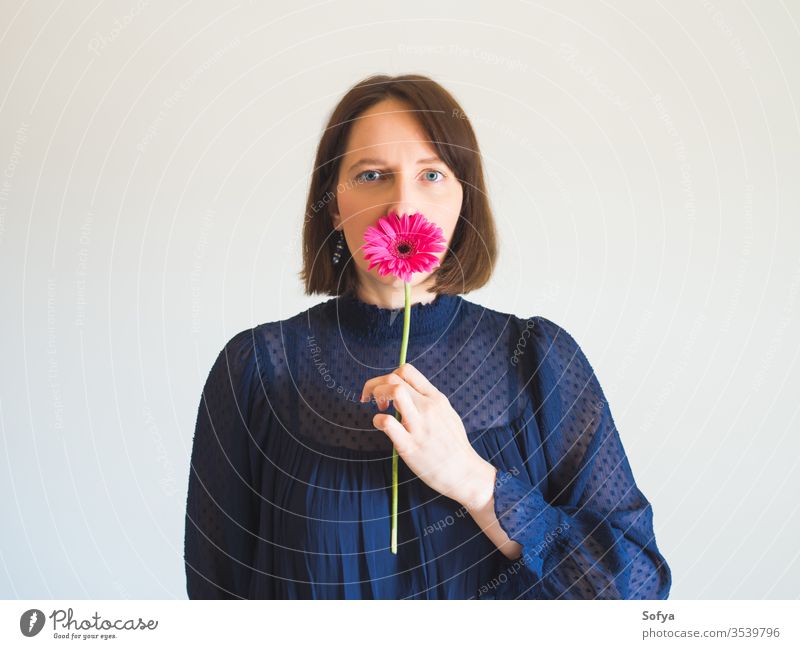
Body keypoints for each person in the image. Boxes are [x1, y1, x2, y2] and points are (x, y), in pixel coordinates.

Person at [183, 73, 672, 599]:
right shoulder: (255, 369)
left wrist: (475, 483)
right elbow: (216, 602)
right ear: (331, 204)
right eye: (372, 175)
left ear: (465, 200)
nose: (403, 207)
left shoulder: (539, 360)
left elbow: (635, 589)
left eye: (432, 176)